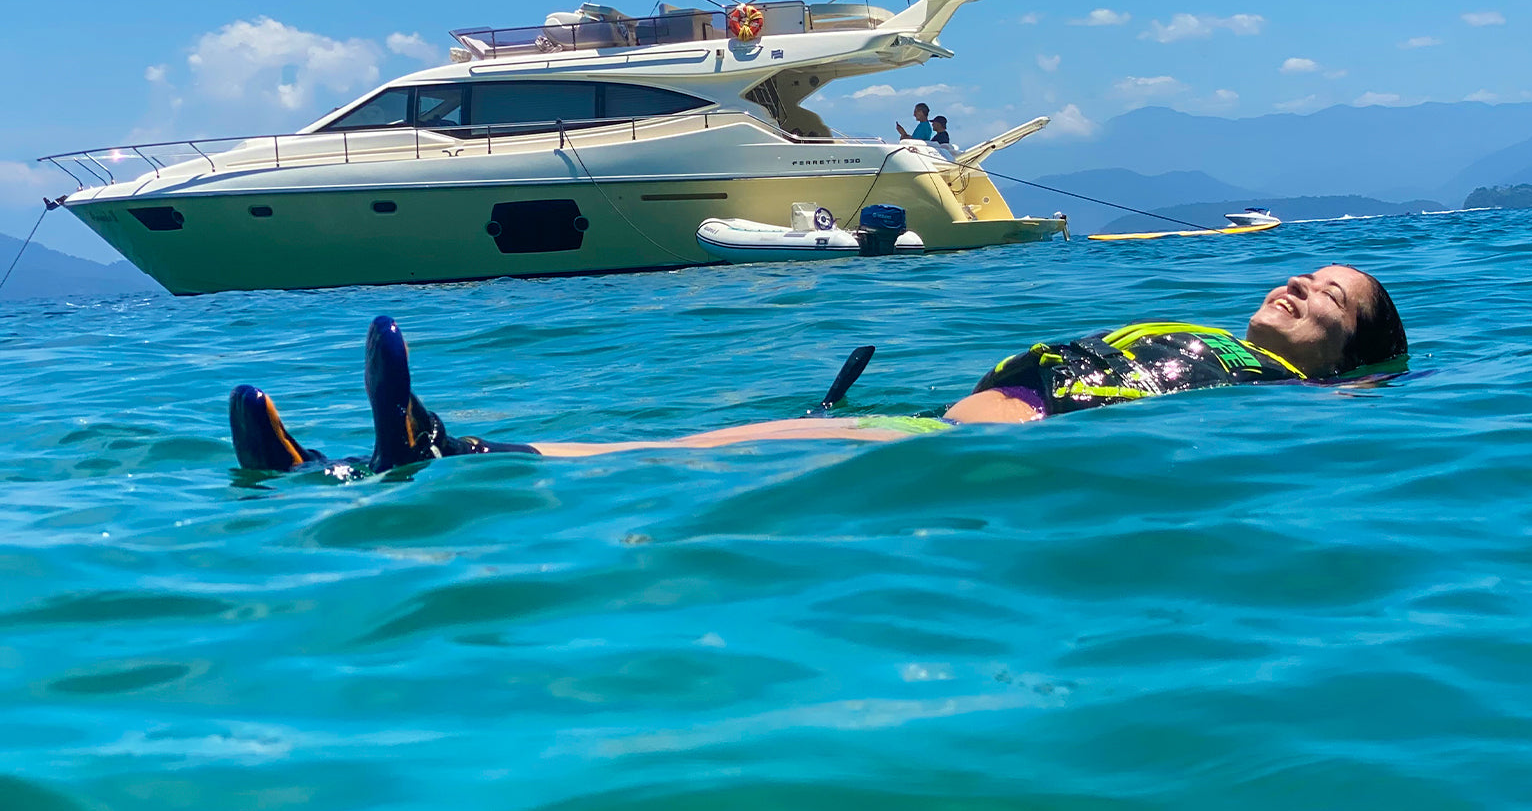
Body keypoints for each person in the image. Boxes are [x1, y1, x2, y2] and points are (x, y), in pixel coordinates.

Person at [229, 266, 1406, 472]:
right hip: (953, 422)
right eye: (1308, 275)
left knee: (692, 451)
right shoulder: (1222, 356)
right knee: (700, 449)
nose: (1304, 288)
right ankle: (358, 462)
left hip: (971, 441)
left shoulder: (1274, 399)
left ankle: (442, 449)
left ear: (1345, 360)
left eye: (1333, 302)